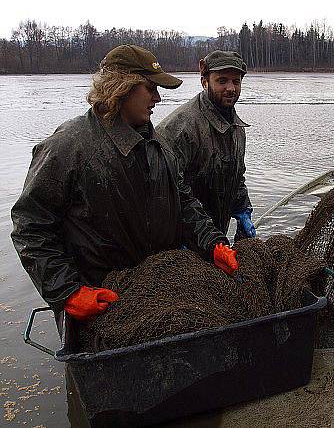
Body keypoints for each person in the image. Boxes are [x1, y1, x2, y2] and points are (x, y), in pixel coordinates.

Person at [11, 44, 238, 323]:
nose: (157, 98)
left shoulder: (158, 146)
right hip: (97, 300)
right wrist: (67, 292)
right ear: (122, 87)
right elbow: (30, 225)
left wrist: (213, 242)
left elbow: (185, 203)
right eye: (150, 88)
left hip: (153, 293)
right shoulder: (69, 146)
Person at [157, 50, 255, 242]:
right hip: (179, 240)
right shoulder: (179, 128)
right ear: (205, 81)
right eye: (222, 81)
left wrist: (243, 209)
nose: (231, 88)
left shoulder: (236, 128)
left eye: (236, 81)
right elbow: (169, 193)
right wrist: (200, 239)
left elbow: (236, 176)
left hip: (213, 236)